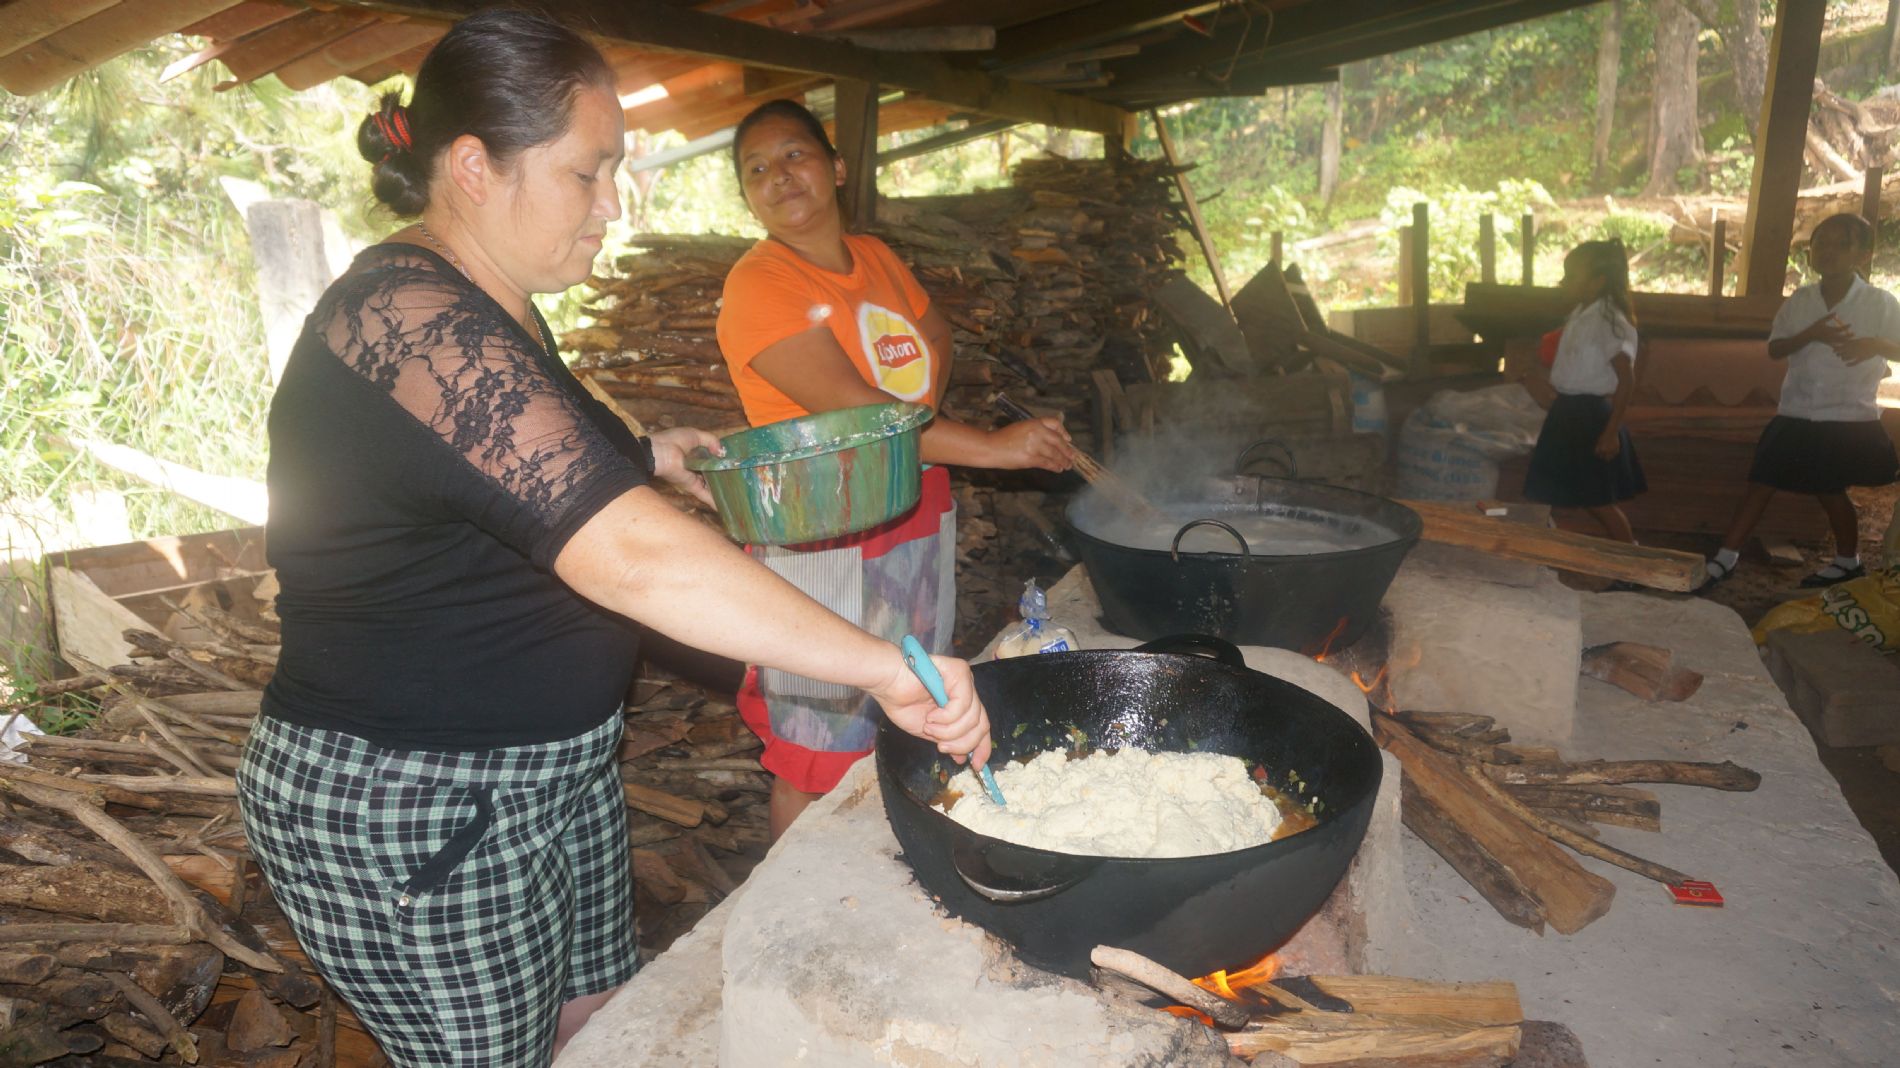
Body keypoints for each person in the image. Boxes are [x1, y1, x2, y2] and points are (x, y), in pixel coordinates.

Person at [234, 13, 992, 1067]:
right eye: (588, 174)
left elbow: (500, 451)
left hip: (560, 771)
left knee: (600, 1023)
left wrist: (642, 450)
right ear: (472, 166)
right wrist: (878, 666)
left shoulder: (492, 302)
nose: (610, 206)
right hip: (418, 803)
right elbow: (627, 554)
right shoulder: (402, 313)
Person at [714, 99, 1072, 837]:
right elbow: (865, 419)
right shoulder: (761, 287)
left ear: (836, 166)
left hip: (911, 518)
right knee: (814, 753)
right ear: (747, 196)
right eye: (757, 169)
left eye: (794, 155)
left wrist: (920, 416)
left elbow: (932, 332)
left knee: (903, 713)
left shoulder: (873, 258)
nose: (779, 177)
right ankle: (790, 927)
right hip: (820, 539)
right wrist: (993, 446)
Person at [1705, 212, 1900, 588]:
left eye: (1840, 244)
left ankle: (1847, 560)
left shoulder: (1879, 302)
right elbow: (1776, 348)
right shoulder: (1802, 299)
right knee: (1761, 480)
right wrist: (1813, 333)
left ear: (1863, 254)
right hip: (1798, 408)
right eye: (1819, 243)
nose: (1827, 251)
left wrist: (1873, 345)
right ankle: (1726, 558)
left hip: (1847, 413)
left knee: (1830, 489)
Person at [1522, 239, 1646, 544]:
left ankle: (1631, 562)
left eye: (1571, 276)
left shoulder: (1609, 321)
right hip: (1568, 413)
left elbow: (1626, 380)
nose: (1563, 282)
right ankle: (1546, 553)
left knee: (1598, 502)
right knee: (1544, 489)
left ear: (1597, 282)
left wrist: (1610, 432)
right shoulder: (1581, 313)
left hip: (1589, 418)